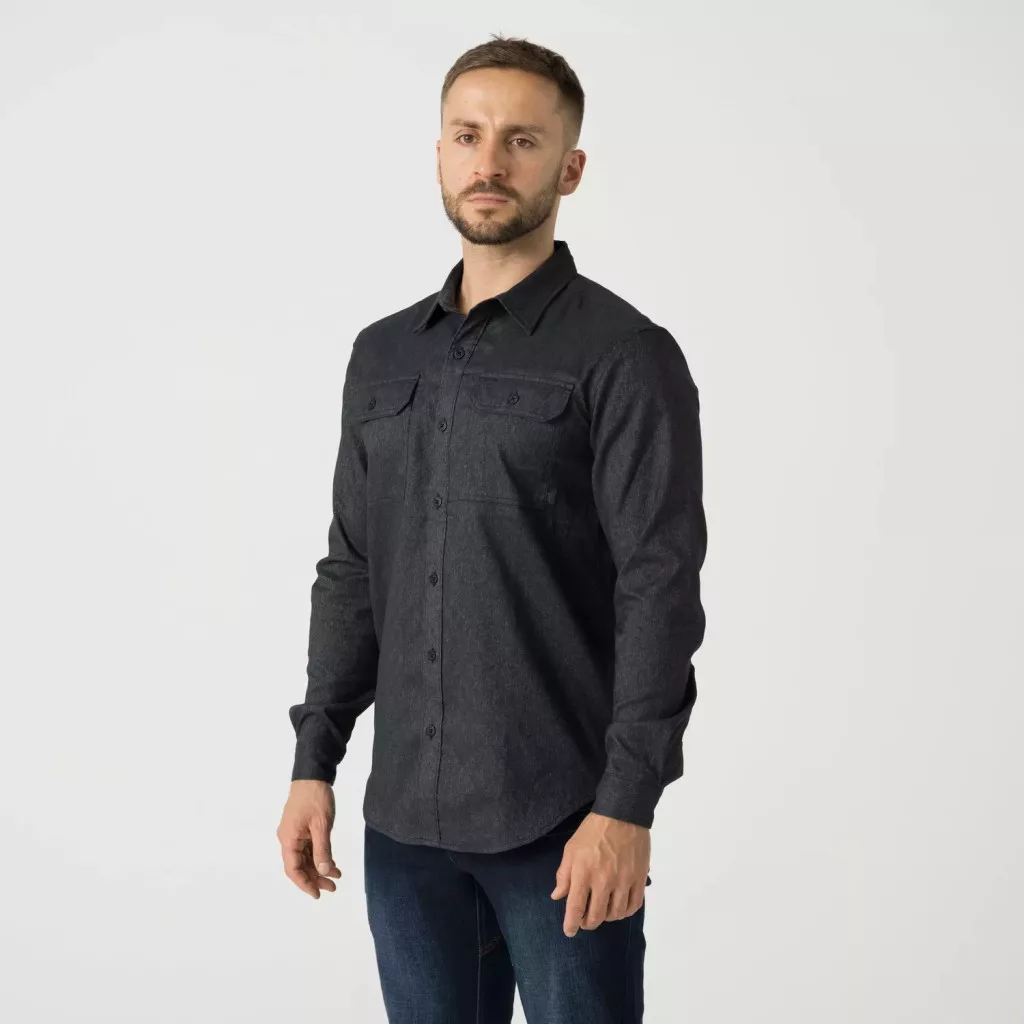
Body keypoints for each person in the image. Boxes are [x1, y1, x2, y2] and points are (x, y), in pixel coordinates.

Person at [276, 33, 707, 1023]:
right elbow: (353, 569)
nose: (489, 162)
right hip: (405, 828)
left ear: (570, 167)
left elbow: (660, 587)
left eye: (522, 140)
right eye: (468, 136)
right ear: (438, 153)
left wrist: (625, 806)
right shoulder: (382, 355)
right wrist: (314, 760)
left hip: (560, 823)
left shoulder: (625, 355)